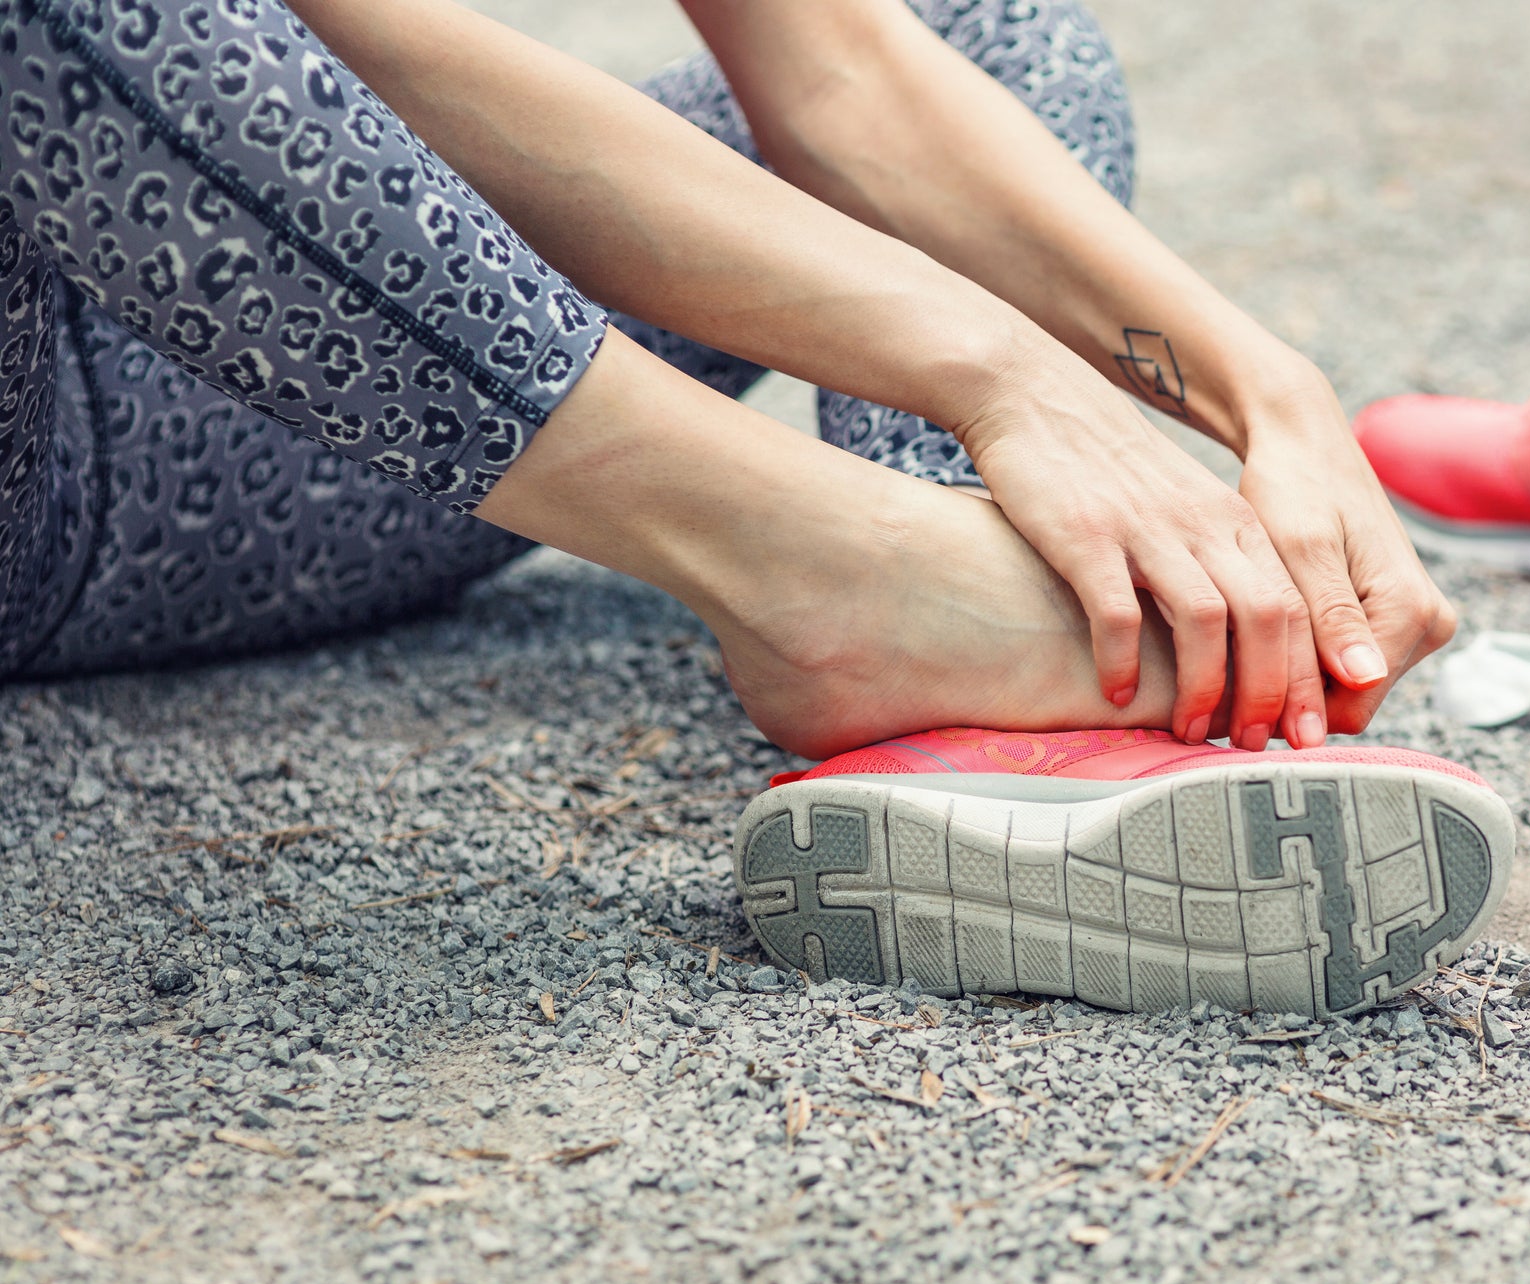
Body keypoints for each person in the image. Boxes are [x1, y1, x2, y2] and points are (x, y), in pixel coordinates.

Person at [0, 0, 1455, 761]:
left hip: (297, 418)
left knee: (971, 19)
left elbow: (842, 68)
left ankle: (956, 666)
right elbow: (343, 53)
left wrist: (1270, 395)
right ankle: (840, 576)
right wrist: (998, 367)